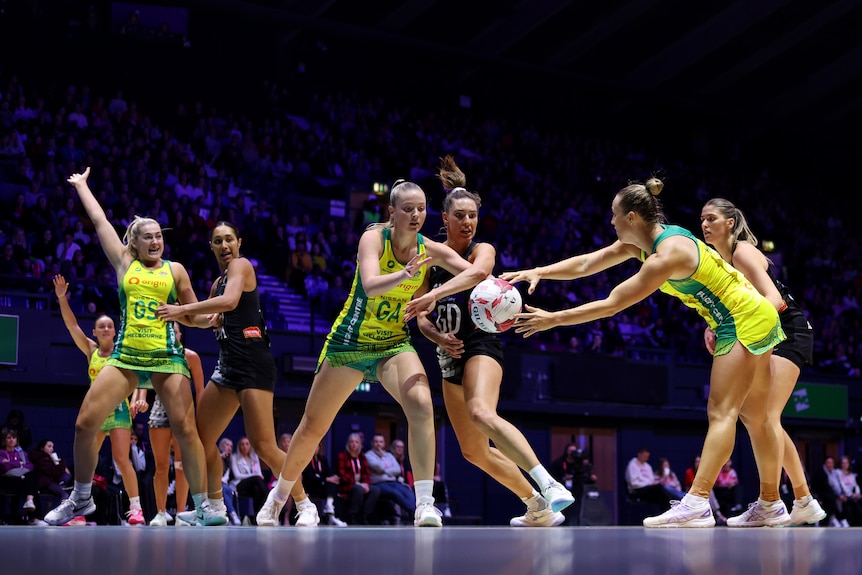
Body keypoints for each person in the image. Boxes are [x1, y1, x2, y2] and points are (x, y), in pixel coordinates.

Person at [501, 177, 786, 528]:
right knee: (756, 418)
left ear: (632, 217)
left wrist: (552, 319)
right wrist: (539, 271)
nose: (611, 222)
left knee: (721, 412)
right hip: (756, 313)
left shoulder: (665, 256)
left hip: (741, 319)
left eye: (614, 216)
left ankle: (697, 501)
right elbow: (588, 264)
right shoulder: (649, 242)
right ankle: (771, 505)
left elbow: (611, 305)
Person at [256, 179, 486, 528]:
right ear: (391, 212)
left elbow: (476, 273)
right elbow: (370, 283)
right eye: (407, 209)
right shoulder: (374, 239)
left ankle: (424, 504)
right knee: (311, 428)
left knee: (423, 405)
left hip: (392, 344)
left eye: (421, 208)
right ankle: (279, 499)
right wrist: (405, 274)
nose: (415, 215)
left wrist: (440, 293)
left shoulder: (431, 249)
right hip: (349, 343)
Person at [44, 167, 225, 526]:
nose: (155, 241)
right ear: (134, 243)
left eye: (159, 236)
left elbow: (190, 314)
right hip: (126, 356)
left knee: (186, 430)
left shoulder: (175, 270)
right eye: (148, 237)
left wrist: (209, 319)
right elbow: (98, 221)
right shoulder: (124, 262)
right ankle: (81, 499)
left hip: (166, 357)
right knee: (85, 424)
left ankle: (204, 507)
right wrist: (82, 186)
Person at [416, 155, 573, 527]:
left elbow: (479, 273)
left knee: (482, 412)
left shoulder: (480, 250)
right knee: (473, 451)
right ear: (446, 220)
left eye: (472, 215)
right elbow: (420, 317)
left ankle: (549, 484)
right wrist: (437, 333)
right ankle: (536, 506)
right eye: (460, 216)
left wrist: (436, 295)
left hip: (482, 346)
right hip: (447, 355)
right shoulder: (428, 260)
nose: (468, 222)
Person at [156, 221, 318, 527]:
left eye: (229, 239)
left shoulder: (242, 267)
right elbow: (205, 319)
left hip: (254, 362)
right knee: (200, 439)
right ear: (212, 247)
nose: (224, 245)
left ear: (239, 242)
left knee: (264, 446)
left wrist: (180, 312)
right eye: (218, 241)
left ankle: (304, 504)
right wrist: (178, 310)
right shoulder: (217, 284)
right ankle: (215, 506)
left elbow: (230, 303)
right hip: (227, 366)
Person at [699, 198, 827, 527]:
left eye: (712, 218)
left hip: (787, 330)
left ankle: (790, 500)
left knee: (766, 415)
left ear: (730, 223)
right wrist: (716, 325)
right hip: (764, 331)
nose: (705, 224)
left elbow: (774, 300)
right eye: (702, 219)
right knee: (754, 415)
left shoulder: (741, 252)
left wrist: (731, 331)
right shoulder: (717, 260)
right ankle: (800, 500)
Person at [52, 274, 148, 525]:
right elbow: (72, 325)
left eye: (109, 326)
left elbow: (140, 377)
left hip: (118, 411)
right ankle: (80, 509)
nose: (106, 329)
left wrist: (138, 398)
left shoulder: (122, 353)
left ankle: (136, 509)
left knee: (120, 459)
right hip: (96, 412)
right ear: (94, 332)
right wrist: (62, 298)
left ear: (115, 331)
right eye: (101, 326)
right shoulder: (91, 350)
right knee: (87, 460)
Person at [147, 322, 204, 526]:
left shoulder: (191, 357)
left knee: (182, 465)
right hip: (159, 411)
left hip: (183, 413)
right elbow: (141, 380)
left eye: (175, 330)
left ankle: (181, 513)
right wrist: (139, 398)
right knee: (161, 465)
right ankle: (160, 513)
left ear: (180, 334)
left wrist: (200, 419)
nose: (171, 333)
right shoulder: (155, 355)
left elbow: (200, 391)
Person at [365, 433, 416, 522]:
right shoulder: (368, 455)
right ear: (372, 443)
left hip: (392, 482)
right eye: (376, 441)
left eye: (381, 442)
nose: (378, 444)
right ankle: (413, 512)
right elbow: (379, 467)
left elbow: (397, 469)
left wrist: (383, 471)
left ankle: (417, 510)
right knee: (394, 492)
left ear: (384, 443)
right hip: (378, 483)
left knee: (406, 490)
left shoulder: (388, 455)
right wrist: (387, 467)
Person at [0, 429, 46, 524]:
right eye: (9, 438)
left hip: (22, 480)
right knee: (32, 485)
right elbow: (4, 466)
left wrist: (11, 463)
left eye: (14, 437)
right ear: (4, 440)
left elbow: (30, 466)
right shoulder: (1, 453)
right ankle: (34, 518)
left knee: (33, 477)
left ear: (17, 440)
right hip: (7, 480)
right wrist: (20, 464)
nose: (11, 440)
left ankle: (30, 504)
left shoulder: (22, 453)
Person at [336, 432, 381, 525]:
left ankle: (365, 515)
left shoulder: (362, 456)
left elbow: (366, 473)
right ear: (348, 443)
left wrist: (365, 483)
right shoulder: (342, 456)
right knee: (358, 489)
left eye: (356, 442)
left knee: (375, 490)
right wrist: (357, 483)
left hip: (360, 484)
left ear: (360, 444)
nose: (354, 444)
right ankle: (353, 515)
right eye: (352, 442)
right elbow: (342, 474)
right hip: (346, 485)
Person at [302, 440, 347, 526]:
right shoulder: (306, 460)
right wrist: (326, 479)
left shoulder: (322, 459)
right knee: (330, 485)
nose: (315, 449)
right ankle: (329, 508)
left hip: (321, 486)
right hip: (311, 487)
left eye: (317, 447)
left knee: (333, 485)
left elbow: (328, 472)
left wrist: (333, 478)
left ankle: (331, 515)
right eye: (313, 447)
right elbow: (310, 477)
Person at [550, 444, 596, 526]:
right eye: (570, 451)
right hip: (562, 489)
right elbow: (553, 476)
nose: (572, 453)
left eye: (574, 451)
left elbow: (585, 476)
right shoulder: (559, 463)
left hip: (577, 490)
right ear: (566, 451)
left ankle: (576, 524)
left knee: (576, 510)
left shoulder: (580, 463)